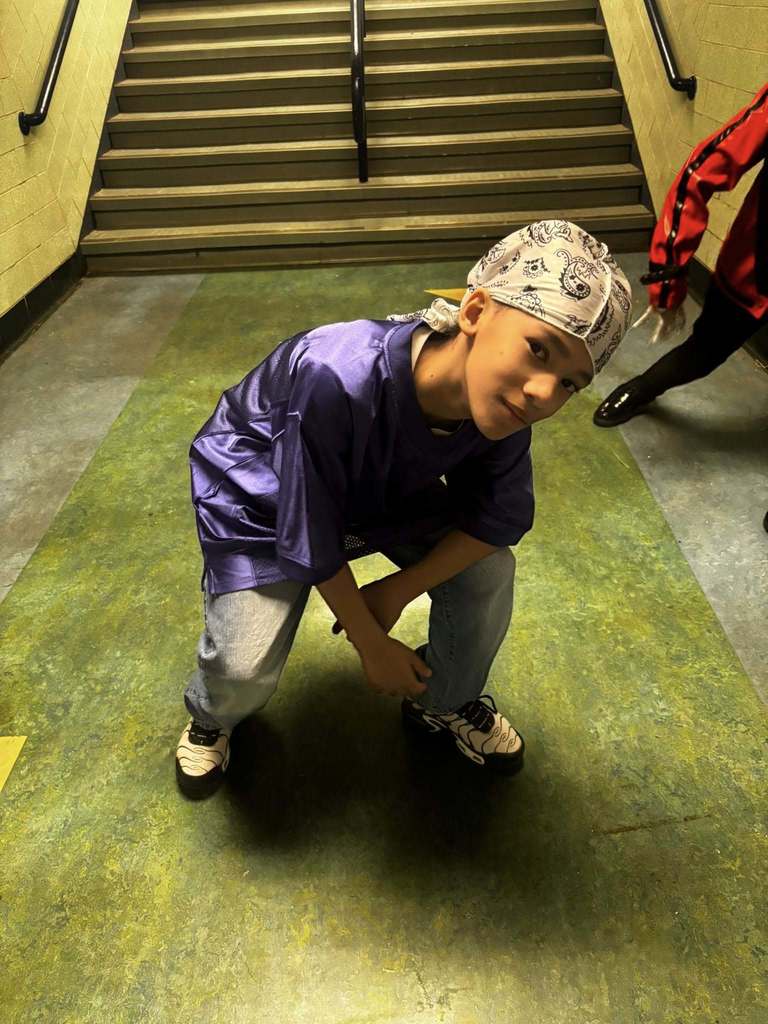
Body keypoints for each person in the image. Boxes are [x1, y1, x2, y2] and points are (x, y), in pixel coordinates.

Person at [175, 220, 632, 799]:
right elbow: (307, 526)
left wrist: (396, 590)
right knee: (243, 672)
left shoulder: (504, 406)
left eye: (570, 382)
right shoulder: (333, 374)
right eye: (538, 349)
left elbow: (496, 519)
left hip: (383, 486)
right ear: (475, 312)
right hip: (264, 493)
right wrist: (371, 642)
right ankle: (211, 716)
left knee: (487, 571)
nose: (545, 393)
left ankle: (442, 704)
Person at [593, 83, 768, 442]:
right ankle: (643, 387)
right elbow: (698, 176)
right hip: (753, 276)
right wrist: (667, 273)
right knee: (704, 352)